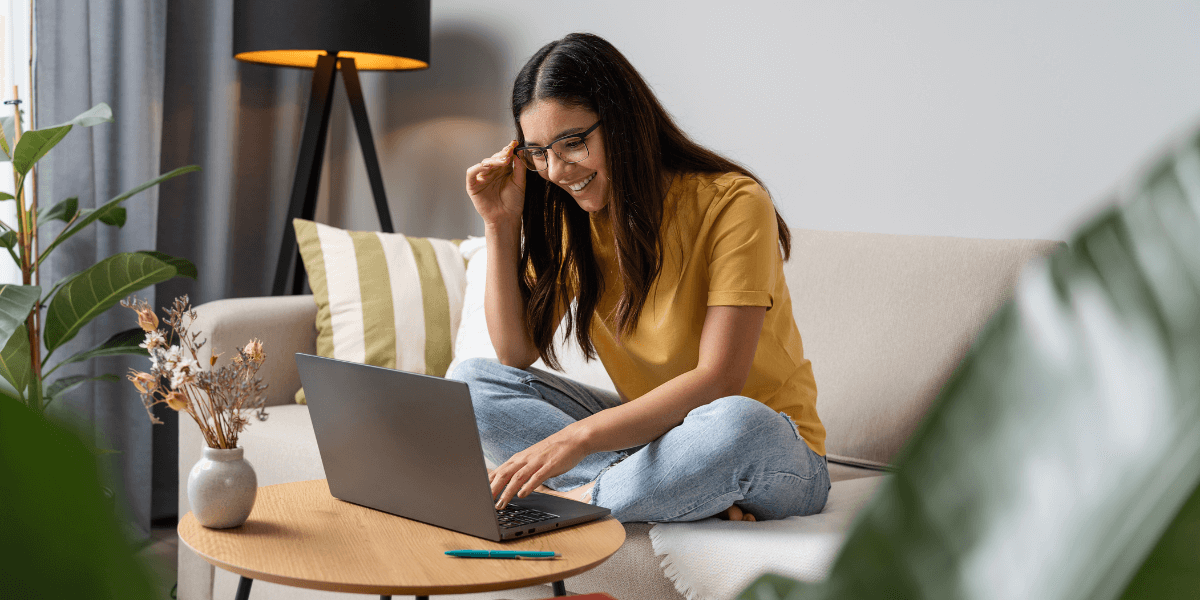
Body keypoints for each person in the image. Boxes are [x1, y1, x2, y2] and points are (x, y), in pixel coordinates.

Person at [449, 32, 829, 523]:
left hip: (775, 451)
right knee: (472, 383)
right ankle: (674, 488)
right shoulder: (573, 219)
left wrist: (577, 438)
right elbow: (514, 353)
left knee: (739, 422)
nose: (557, 171)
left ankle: (582, 501)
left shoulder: (733, 202)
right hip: (658, 441)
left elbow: (720, 380)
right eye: (538, 152)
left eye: (573, 143)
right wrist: (499, 224)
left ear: (622, 122)